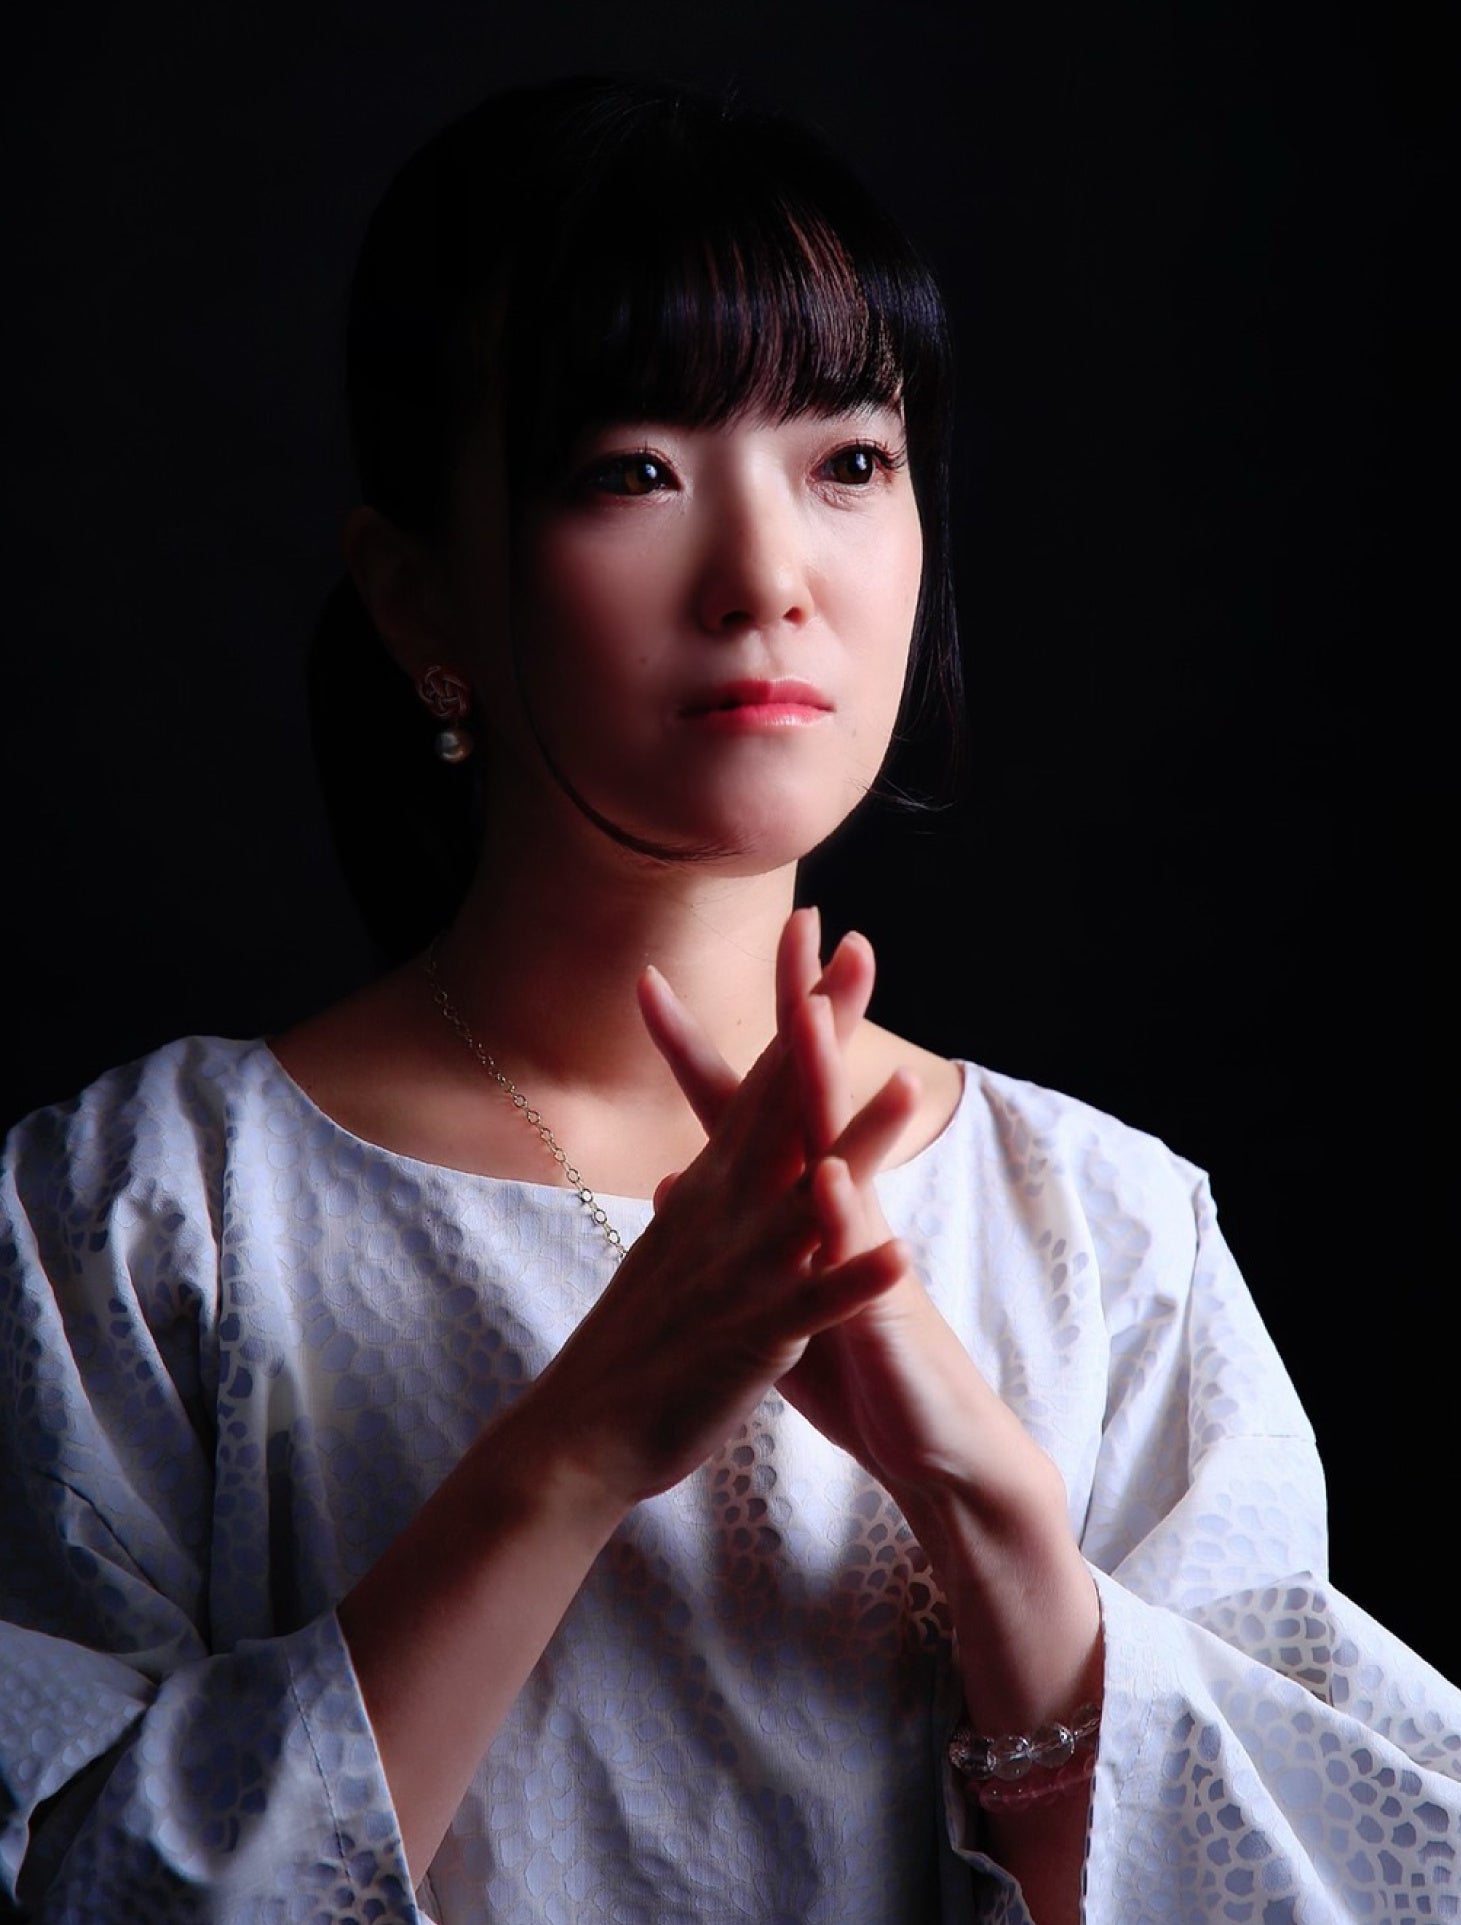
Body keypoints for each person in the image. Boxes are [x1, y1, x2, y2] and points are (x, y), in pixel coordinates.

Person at [0, 74, 1456, 1925]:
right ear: (417, 596)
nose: (767, 576)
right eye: (632, 469)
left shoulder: (1101, 1230)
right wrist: (580, 1440)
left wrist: (992, 1511)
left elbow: (1346, 1876)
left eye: (847, 461)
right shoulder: (152, 1211)